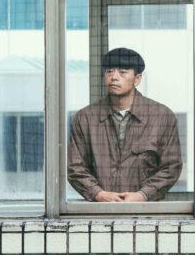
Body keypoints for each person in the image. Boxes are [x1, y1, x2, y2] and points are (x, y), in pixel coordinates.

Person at [68, 47, 182, 202]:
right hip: (99, 209)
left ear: (137, 78)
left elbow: (171, 167)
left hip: (146, 210)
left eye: (122, 72)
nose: (114, 77)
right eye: (109, 71)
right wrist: (98, 194)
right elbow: (75, 167)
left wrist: (143, 195)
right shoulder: (85, 118)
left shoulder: (162, 117)